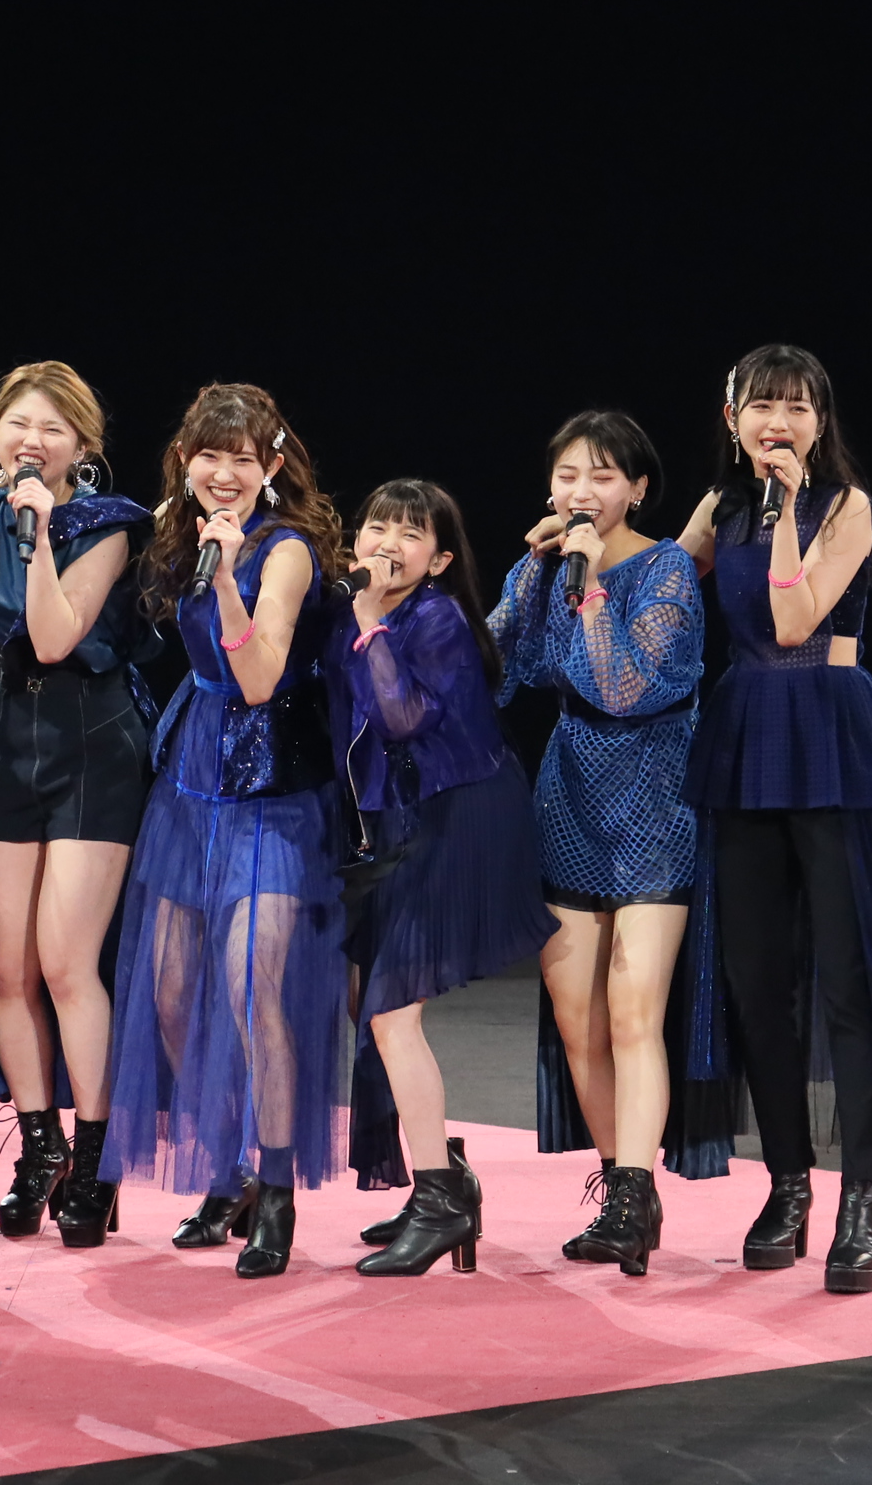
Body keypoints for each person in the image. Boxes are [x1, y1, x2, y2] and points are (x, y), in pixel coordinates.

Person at [674, 344, 872, 1294]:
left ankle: (861, 1195)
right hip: (746, 738)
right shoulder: (719, 508)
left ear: (820, 422)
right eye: (761, 405)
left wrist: (786, 512)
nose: (776, 422)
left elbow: (794, 622)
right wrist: (584, 543)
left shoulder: (845, 507)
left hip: (831, 735)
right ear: (732, 416)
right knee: (756, 984)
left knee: (848, 983)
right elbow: (662, 593)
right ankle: (788, 1184)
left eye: (796, 406)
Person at [97, 384, 351, 1278]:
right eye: (210, 455)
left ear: (271, 466)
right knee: (171, 991)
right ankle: (228, 1164)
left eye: (243, 457)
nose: (224, 473)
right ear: (185, 460)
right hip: (193, 779)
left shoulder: (284, 551)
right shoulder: (187, 538)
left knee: (253, 989)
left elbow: (259, 679)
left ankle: (276, 1188)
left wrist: (229, 578)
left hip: (271, 788)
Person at [0, 361, 158, 1248]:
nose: (32, 440)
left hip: (95, 744)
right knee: (9, 970)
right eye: (18, 423)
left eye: (53, 428)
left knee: (65, 964)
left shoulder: (109, 523)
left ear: (82, 446)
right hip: (7, 743)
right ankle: (39, 1146)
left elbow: (53, 637)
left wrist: (41, 529)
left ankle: (94, 1161)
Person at [489, 410, 703, 1275]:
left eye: (603, 476)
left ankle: (636, 1190)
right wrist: (529, 575)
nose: (583, 491)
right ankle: (622, 1196)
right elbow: (492, 669)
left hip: (655, 800)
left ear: (638, 489)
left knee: (633, 1007)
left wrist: (587, 585)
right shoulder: (547, 565)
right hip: (569, 798)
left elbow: (621, 685)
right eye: (569, 475)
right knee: (579, 1020)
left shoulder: (668, 569)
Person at [327, 479, 555, 1276]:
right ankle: (446, 1179)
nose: (388, 544)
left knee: (391, 1012)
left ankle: (440, 1202)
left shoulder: (438, 618)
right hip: (403, 819)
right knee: (373, 1007)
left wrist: (366, 623)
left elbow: (401, 718)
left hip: (461, 816)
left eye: (410, 533)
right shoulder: (359, 610)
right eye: (377, 526)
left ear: (440, 560)